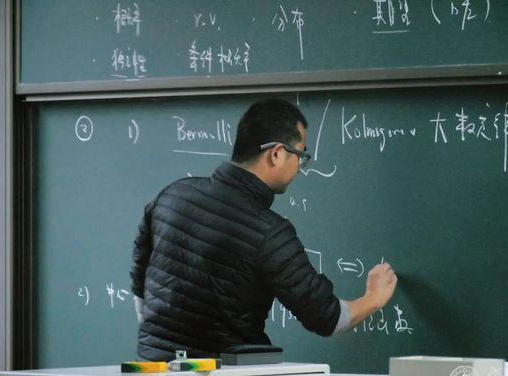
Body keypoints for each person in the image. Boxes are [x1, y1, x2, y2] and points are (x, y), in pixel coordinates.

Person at [130, 98, 397, 361]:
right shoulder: (269, 233)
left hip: (152, 373)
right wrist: (373, 298)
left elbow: (140, 280)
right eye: (301, 155)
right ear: (277, 154)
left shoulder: (171, 195)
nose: (300, 166)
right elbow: (328, 319)